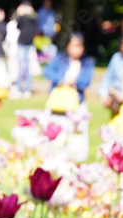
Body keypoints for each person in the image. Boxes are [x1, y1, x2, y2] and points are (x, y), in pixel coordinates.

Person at [43, 32, 95, 160]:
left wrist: (74, 82)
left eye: (79, 46)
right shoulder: (60, 59)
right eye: (73, 46)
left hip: (76, 104)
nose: (76, 49)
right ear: (67, 46)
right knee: (54, 136)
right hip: (57, 104)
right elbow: (47, 71)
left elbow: (86, 81)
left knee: (76, 136)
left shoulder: (87, 63)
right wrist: (62, 80)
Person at [13, 3, 38, 98]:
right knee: (26, 67)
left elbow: (18, 25)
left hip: (24, 44)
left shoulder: (25, 18)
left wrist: (20, 14)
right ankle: (26, 89)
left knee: (22, 67)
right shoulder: (34, 18)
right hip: (28, 44)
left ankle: (20, 88)